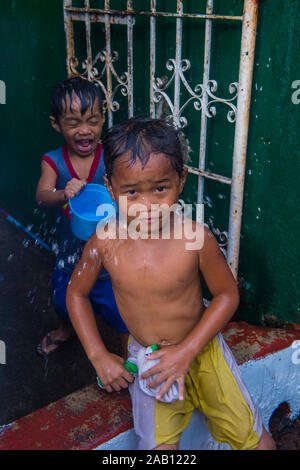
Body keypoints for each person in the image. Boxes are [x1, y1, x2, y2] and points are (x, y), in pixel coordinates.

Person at [65, 116, 276, 450]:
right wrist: (98, 355)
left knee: (257, 442)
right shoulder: (104, 241)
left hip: (204, 353)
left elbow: (226, 294)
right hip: (150, 363)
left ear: (181, 180)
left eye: (160, 188)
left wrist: (187, 351)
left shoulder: (195, 238)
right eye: (131, 192)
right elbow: (76, 294)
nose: (147, 206)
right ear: (110, 188)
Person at [35, 76, 128, 357]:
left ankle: (128, 351)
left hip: (110, 253)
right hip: (71, 254)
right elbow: (41, 197)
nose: (85, 130)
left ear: (103, 119)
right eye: (74, 123)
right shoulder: (53, 161)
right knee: (63, 298)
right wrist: (62, 193)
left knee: (118, 304)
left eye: (93, 121)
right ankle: (67, 329)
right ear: (56, 124)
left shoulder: (111, 155)